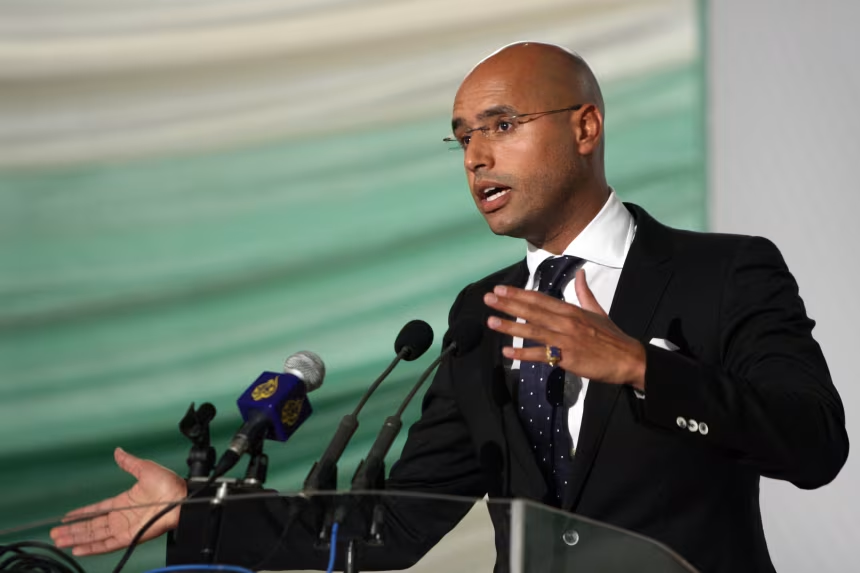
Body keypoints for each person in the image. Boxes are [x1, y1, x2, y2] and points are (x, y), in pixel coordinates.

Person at [50, 42, 848, 573]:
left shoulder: (724, 271)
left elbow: (815, 444)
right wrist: (201, 511)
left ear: (586, 127)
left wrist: (641, 367)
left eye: (502, 125)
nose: (476, 156)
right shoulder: (481, 314)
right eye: (462, 136)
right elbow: (395, 524)